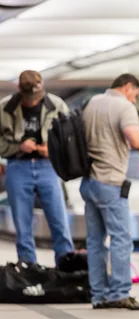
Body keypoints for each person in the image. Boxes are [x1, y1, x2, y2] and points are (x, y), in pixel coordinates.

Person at [81, 74, 139, 310]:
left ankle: (99, 295)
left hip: (89, 181)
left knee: (95, 241)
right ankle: (120, 293)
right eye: (135, 94)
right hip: (111, 181)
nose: (135, 100)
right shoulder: (123, 106)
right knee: (121, 238)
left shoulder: (91, 103)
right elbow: (136, 140)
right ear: (127, 87)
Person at [0, 70, 74, 266]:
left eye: (36, 98)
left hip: (48, 167)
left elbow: (70, 136)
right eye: (28, 98)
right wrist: (18, 147)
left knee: (59, 219)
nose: (32, 102)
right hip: (17, 166)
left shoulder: (56, 105)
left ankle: (66, 265)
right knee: (22, 224)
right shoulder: (5, 108)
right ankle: (28, 267)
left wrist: (53, 149)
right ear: (19, 89)